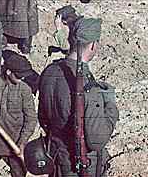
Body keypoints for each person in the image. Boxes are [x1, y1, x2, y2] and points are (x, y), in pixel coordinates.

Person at [38, 17, 119, 177]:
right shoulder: (88, 87)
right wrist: (110, 105)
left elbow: (43, 118)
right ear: (93, 45)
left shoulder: (50, 71)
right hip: (81, 166)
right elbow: (96, 141)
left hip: (57, 157)